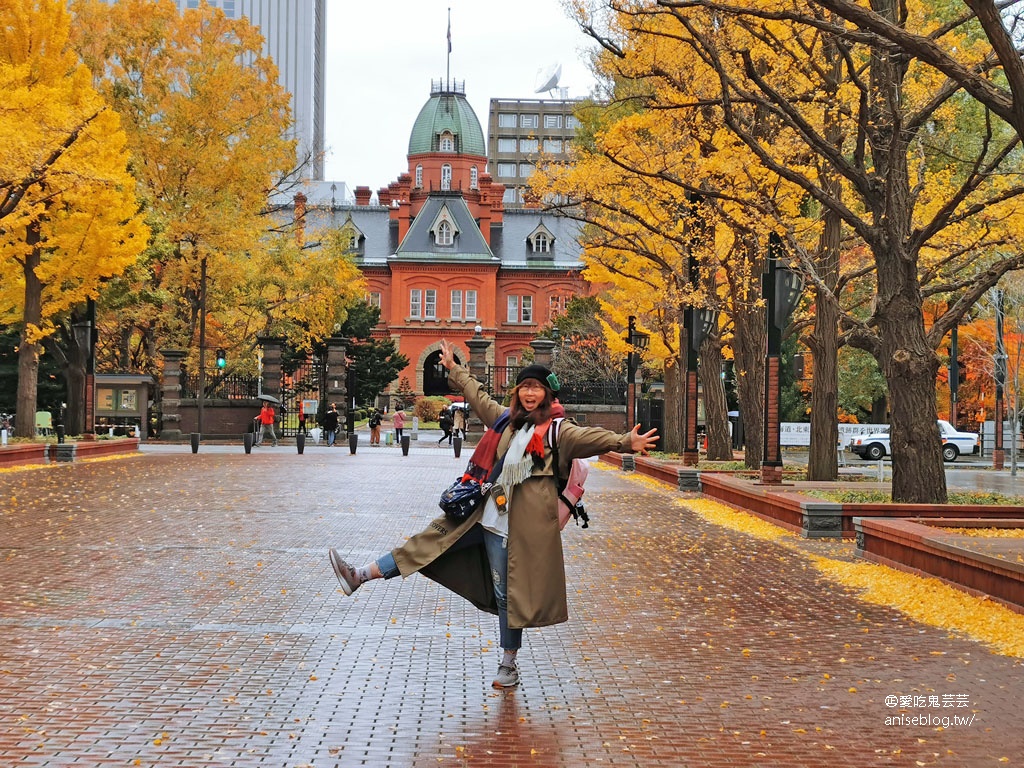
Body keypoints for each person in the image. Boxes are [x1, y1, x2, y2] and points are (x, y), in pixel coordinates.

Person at [328, 338, 659, 690]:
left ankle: (508, 663)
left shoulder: (558, 430)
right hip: (480, 514)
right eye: (525, 388)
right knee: (423, 545)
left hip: (515, 528)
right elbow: (478, 396)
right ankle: (359, 576)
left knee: (508, 594)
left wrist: (625, 442)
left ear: (548, 395)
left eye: (537, 389)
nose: (530, 395)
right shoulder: (507, 422)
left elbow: (590, 437)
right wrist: (455, 369)